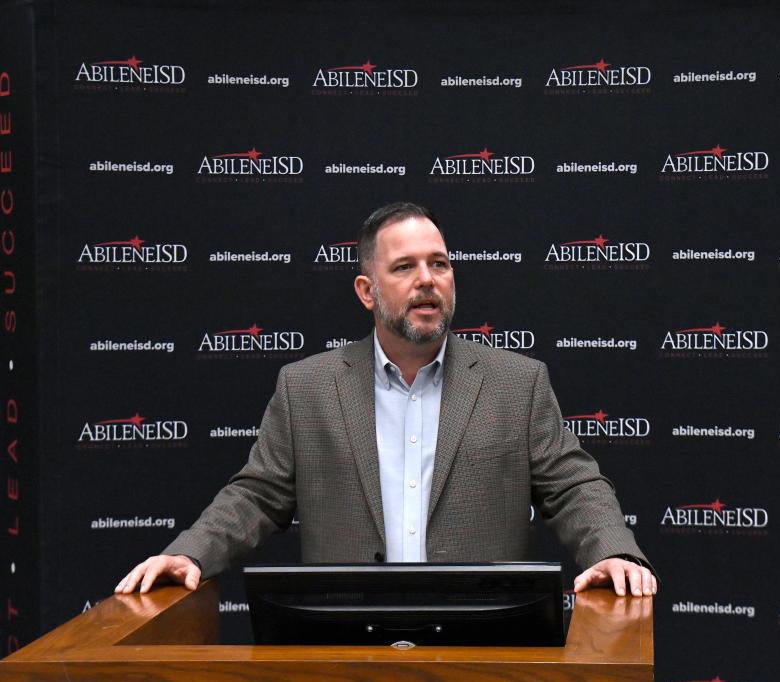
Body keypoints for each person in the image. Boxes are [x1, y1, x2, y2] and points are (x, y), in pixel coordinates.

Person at [116, 202, 657, 598]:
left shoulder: (518, 383)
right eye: (404, 268)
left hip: (483, 645)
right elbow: (256, 496)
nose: (427, 280)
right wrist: (188, 552)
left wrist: (611, 550)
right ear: (366, 290)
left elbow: (573, 485)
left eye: (440, 264)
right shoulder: (306, 388)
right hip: (348, 649)